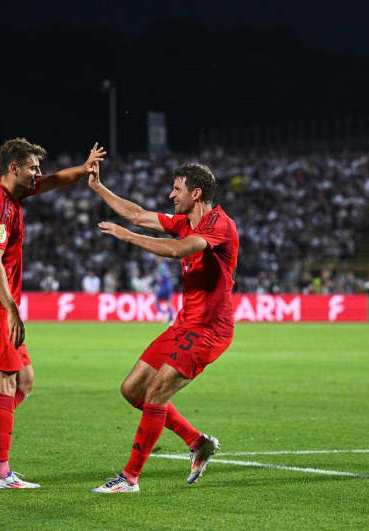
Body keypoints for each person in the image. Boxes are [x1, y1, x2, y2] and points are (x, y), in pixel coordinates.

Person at [0, 138, 105, 489]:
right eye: (32, 167)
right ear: (14, 168)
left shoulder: (12, 193)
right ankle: (0, 473)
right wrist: (10, 309)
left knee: (24, 380)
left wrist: (84, 169)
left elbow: (54, 180)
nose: (37, 173)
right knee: (5, 378)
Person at [88, 162, 239, 493]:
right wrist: (99, 188)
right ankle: (198, 442)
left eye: (177, 189)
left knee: (156, 392)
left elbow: (177, 250)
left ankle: (129, 479)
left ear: (195, 193)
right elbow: (140, 214)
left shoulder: (219, 226)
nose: (171, 194)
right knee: (131, 390)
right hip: (184, 323)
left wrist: (128, 237)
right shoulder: (184, 221)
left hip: (210, 330)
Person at [153, 257, 175, 323]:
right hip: (169, 285)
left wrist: (156, 282)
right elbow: (167, 275)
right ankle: (172, 317)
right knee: (168, 303)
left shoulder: (161, 266)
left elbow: (162, 278)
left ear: (160, 259)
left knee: (155, 302)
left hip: (164, 286)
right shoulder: (165, 265)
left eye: (157, 258)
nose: (156, 260)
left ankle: (164, 314)